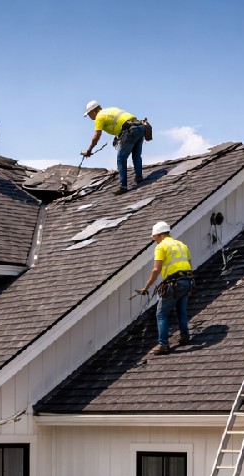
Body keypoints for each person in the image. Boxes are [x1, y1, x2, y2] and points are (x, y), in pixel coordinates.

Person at [138, 221, 193, 354]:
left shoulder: (161, 247)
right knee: (182, 311)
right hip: (186, 281)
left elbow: (156, 270)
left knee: (161, 314)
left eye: (154, 237)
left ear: (159, 234)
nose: (154, 240)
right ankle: (185, 336)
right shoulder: (181, 245)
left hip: (173, 283)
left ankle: (163, 344)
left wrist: (147, 286)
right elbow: (189, 265)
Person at [81, 100, 144, 194]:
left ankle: (123, 187)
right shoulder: (110, 110)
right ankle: (139, 177)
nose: (90, 117)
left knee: (121, 159)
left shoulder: (99, 117)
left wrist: (89, 150)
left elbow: (96, 136)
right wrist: (118, 136)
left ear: (94, 111)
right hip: (140, 127)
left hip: (129, 131)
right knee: (136, 155)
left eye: (89, 114)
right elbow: (121, 122)